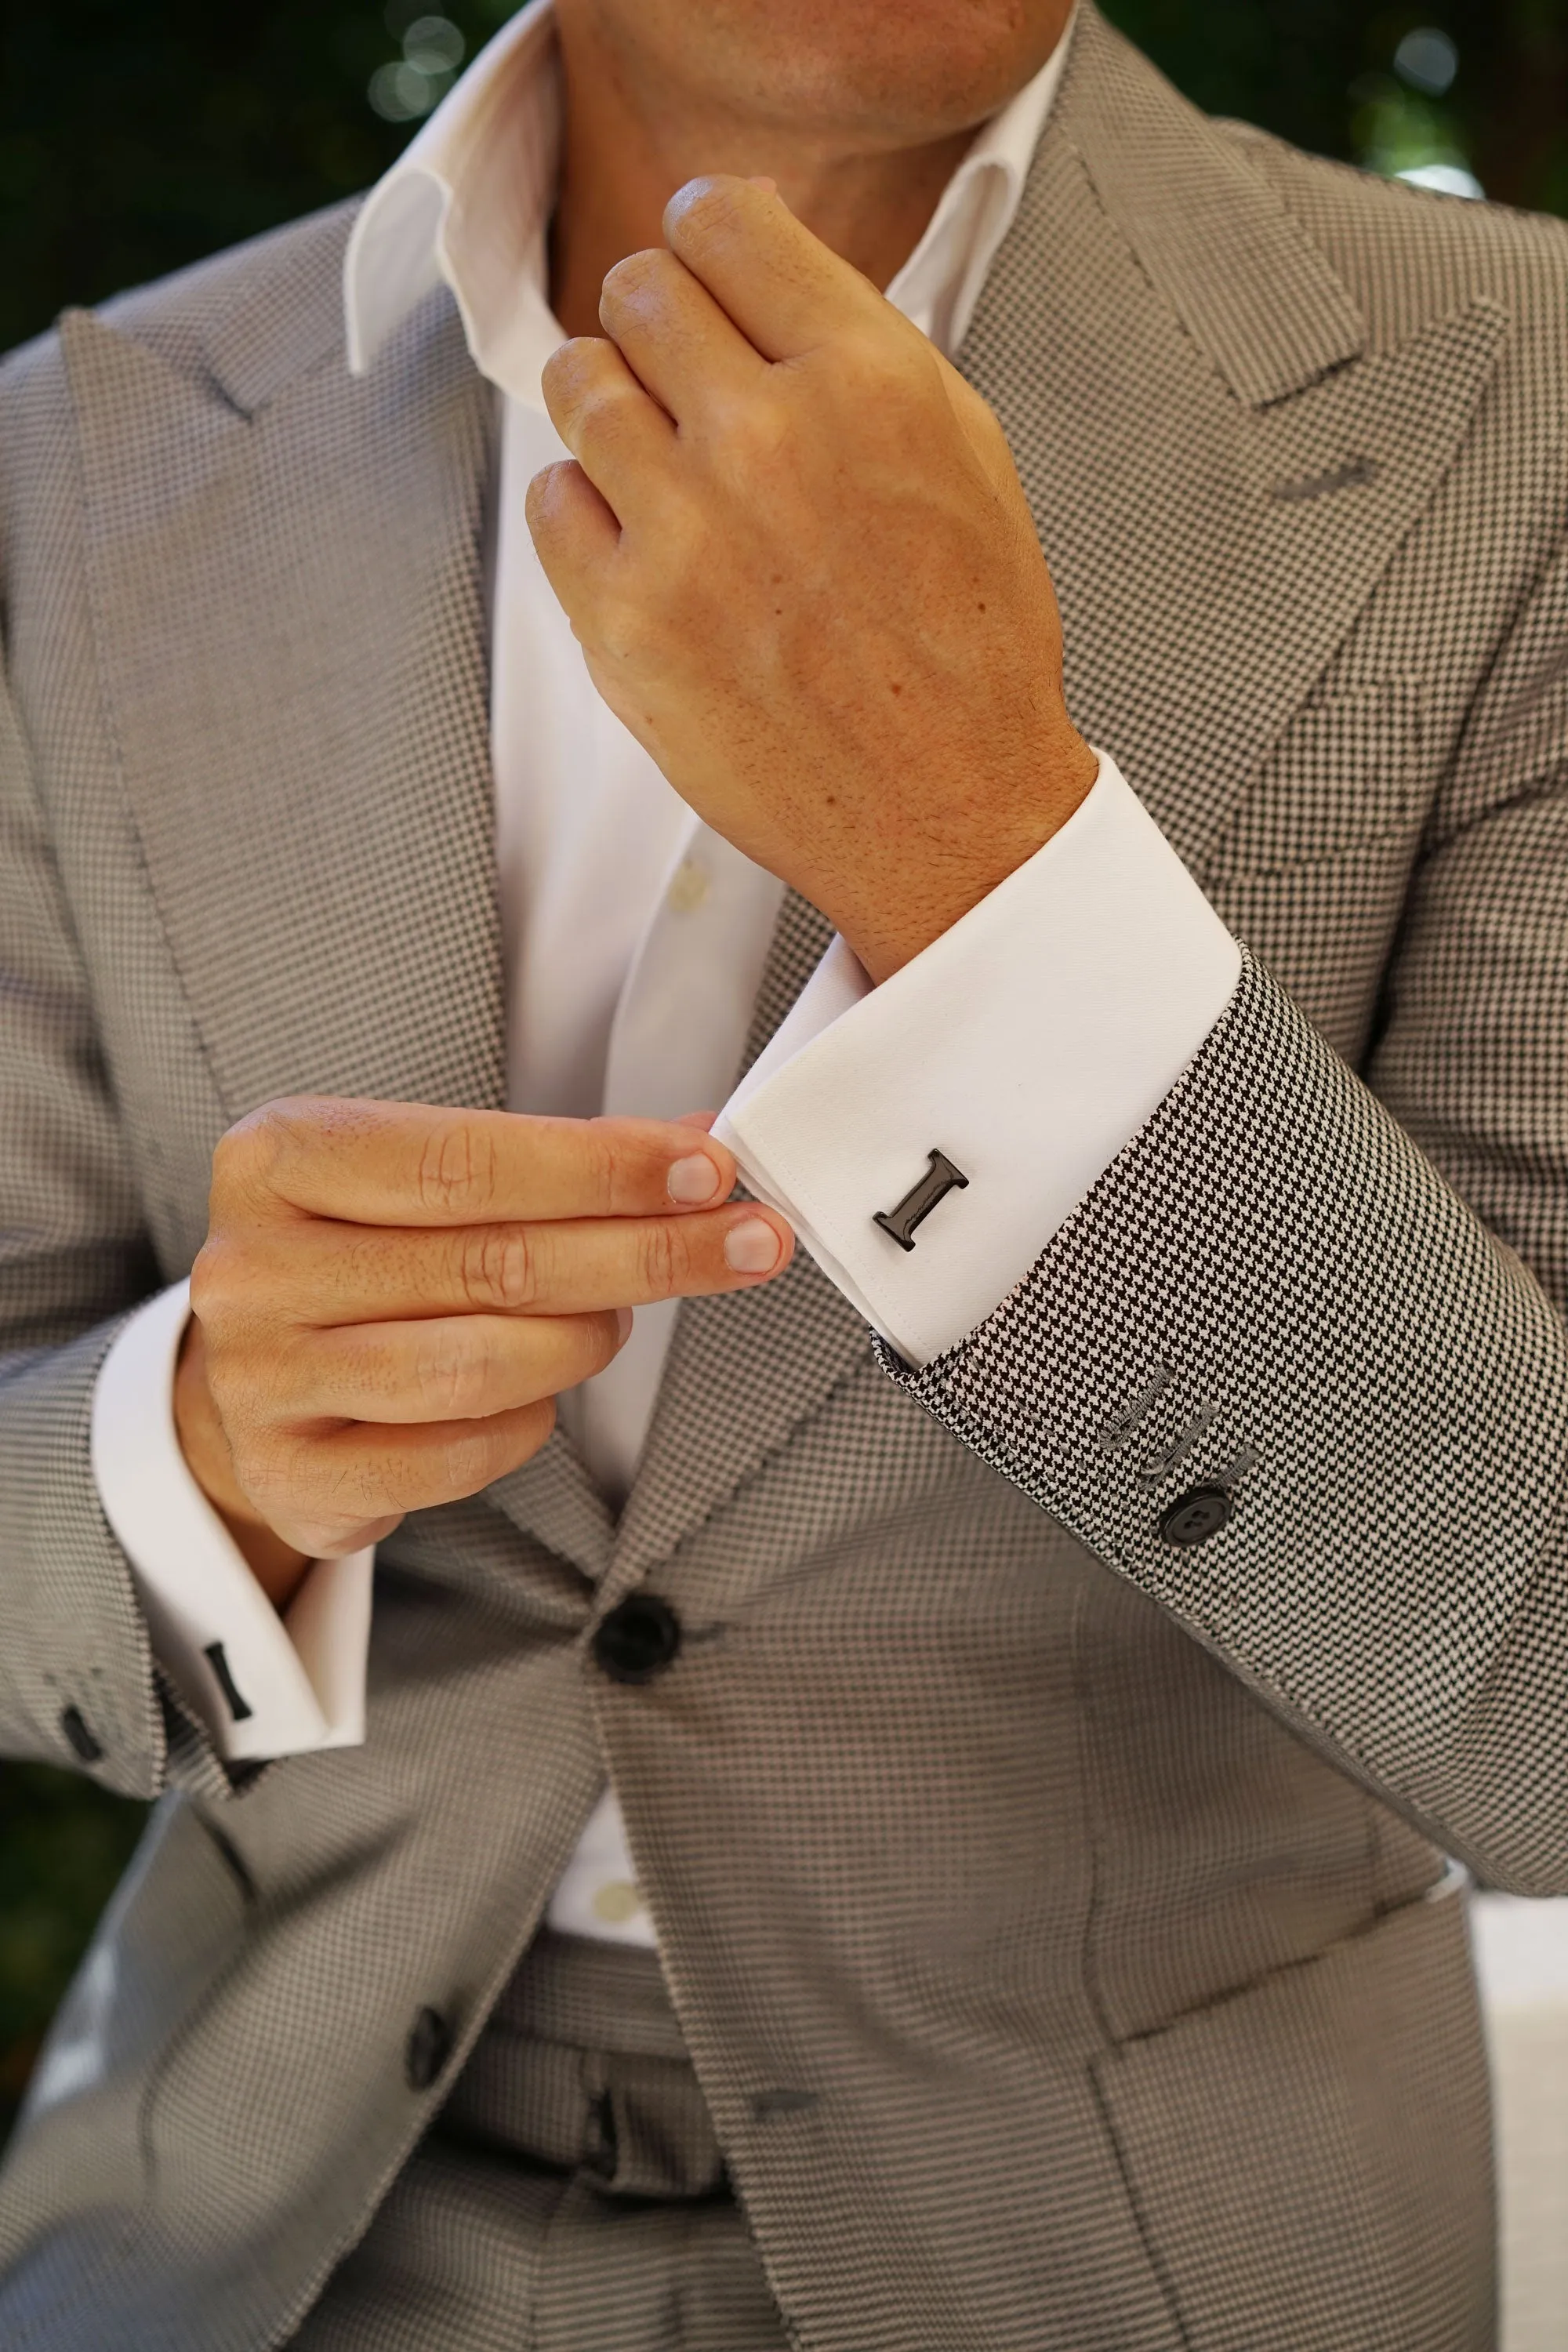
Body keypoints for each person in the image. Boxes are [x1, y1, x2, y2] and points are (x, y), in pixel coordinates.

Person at [1, 0, 1565, 2341]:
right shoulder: (80, 463)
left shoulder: (1521, 405)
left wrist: (986, 869)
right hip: (254, 2240)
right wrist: (189, 1448)